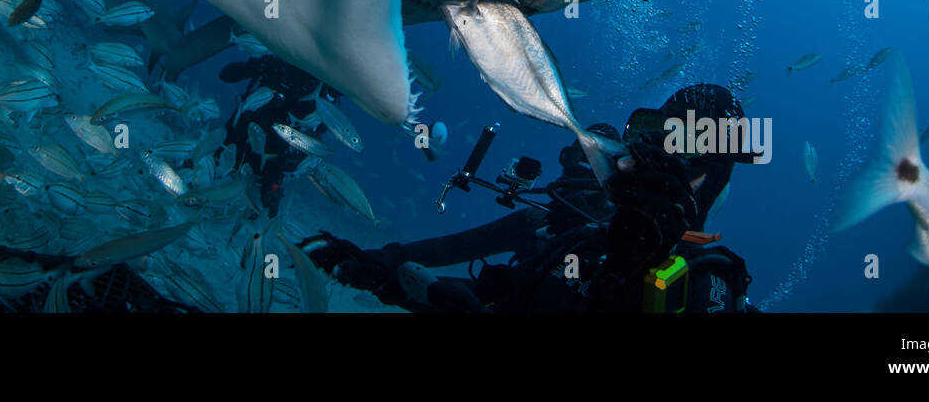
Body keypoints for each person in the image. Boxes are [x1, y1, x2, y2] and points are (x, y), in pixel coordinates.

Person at [301, 83, 757, 313]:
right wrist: (384, 271)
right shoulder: (579, 240)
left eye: (686, 147)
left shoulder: (707, 284)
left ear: (716, 179)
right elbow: (489, 294)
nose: (663, 162)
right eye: (654, 139)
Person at [215, 55, 329, 217]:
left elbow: (319, 130)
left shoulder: (319, 89)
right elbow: (226, 74)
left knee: (263, 203)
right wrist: (259, 65)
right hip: (242, 135)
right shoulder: (276, 65)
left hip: (274, 153)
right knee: (216, 165)